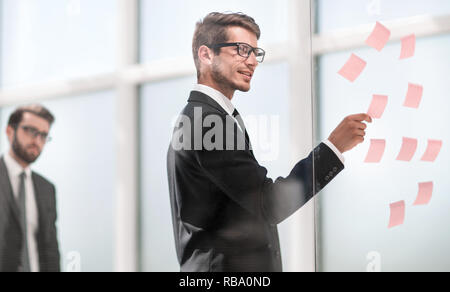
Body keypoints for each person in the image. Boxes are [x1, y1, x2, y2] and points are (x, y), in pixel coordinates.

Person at [167, 12, 372, 272]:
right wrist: (333, 147)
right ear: (206, 55)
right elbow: (271, 204)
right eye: (241, 50)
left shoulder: (204, 118)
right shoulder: (207, 121)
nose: (252, 61)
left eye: (255, 52)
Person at [0, 105, 60, 272]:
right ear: (10, 131)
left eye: (43, 135)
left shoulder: (46, 189)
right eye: (30, 131)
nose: (37, 140)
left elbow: (51, 250)